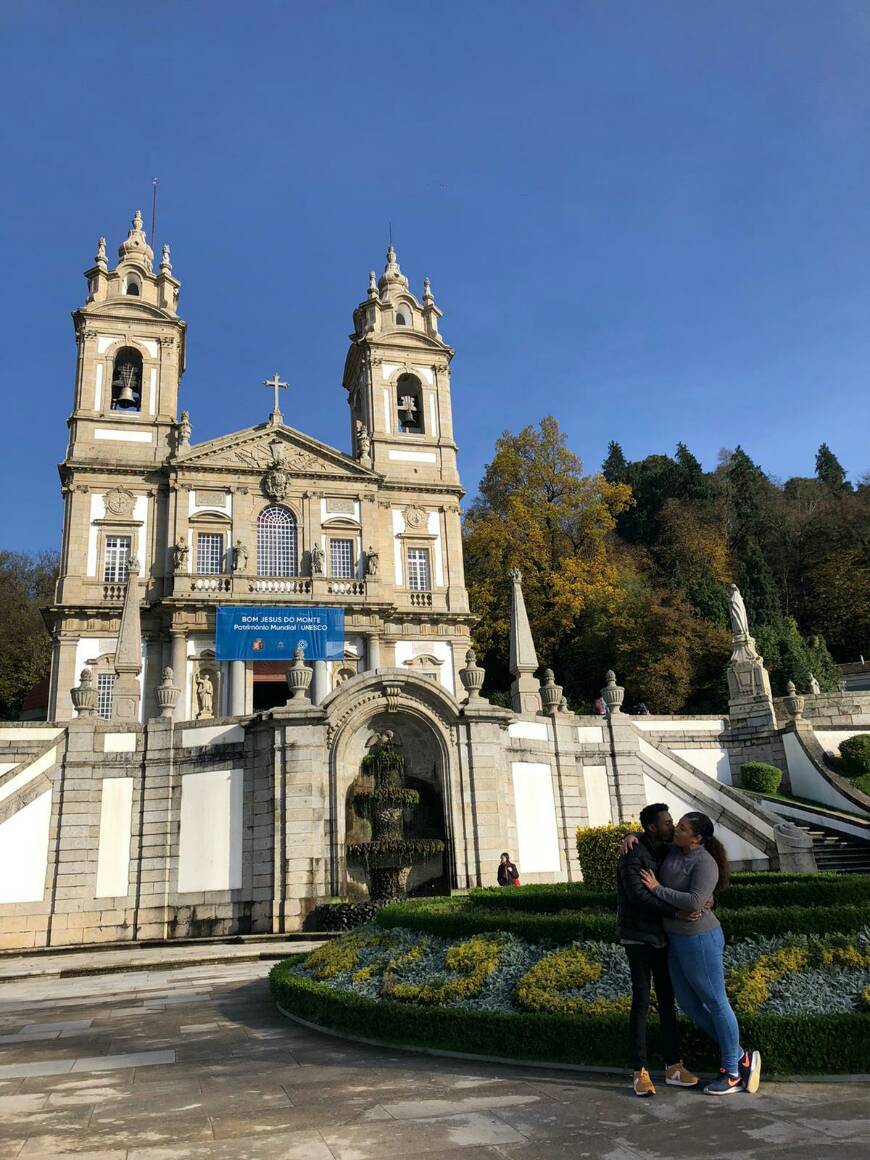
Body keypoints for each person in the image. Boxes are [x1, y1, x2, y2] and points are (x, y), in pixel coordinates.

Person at [639, 812, 762, 1096]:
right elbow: (649, 838)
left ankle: (731, 1072)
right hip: (677, 939)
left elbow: (695, 901)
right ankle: (741, 1055)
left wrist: (658, 889)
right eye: (677, 826)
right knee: (690, 1005)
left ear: (696, 838)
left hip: (700, 939)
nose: (676, 830)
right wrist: (631, 837)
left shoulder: (705, 862)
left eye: (682, 828)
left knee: (716, 1001)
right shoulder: (673, 850)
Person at [617, 803, 701, 1097]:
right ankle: (639, 1070)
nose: (672, 825)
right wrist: (677, 914)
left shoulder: (662, 849)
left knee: (667, 1000)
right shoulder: (634, 853)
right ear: (652, 827)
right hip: (638, 936)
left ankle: (673, 1066)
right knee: (641, 1000)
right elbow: (638, 896)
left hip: (661, 936)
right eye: (667, 823)